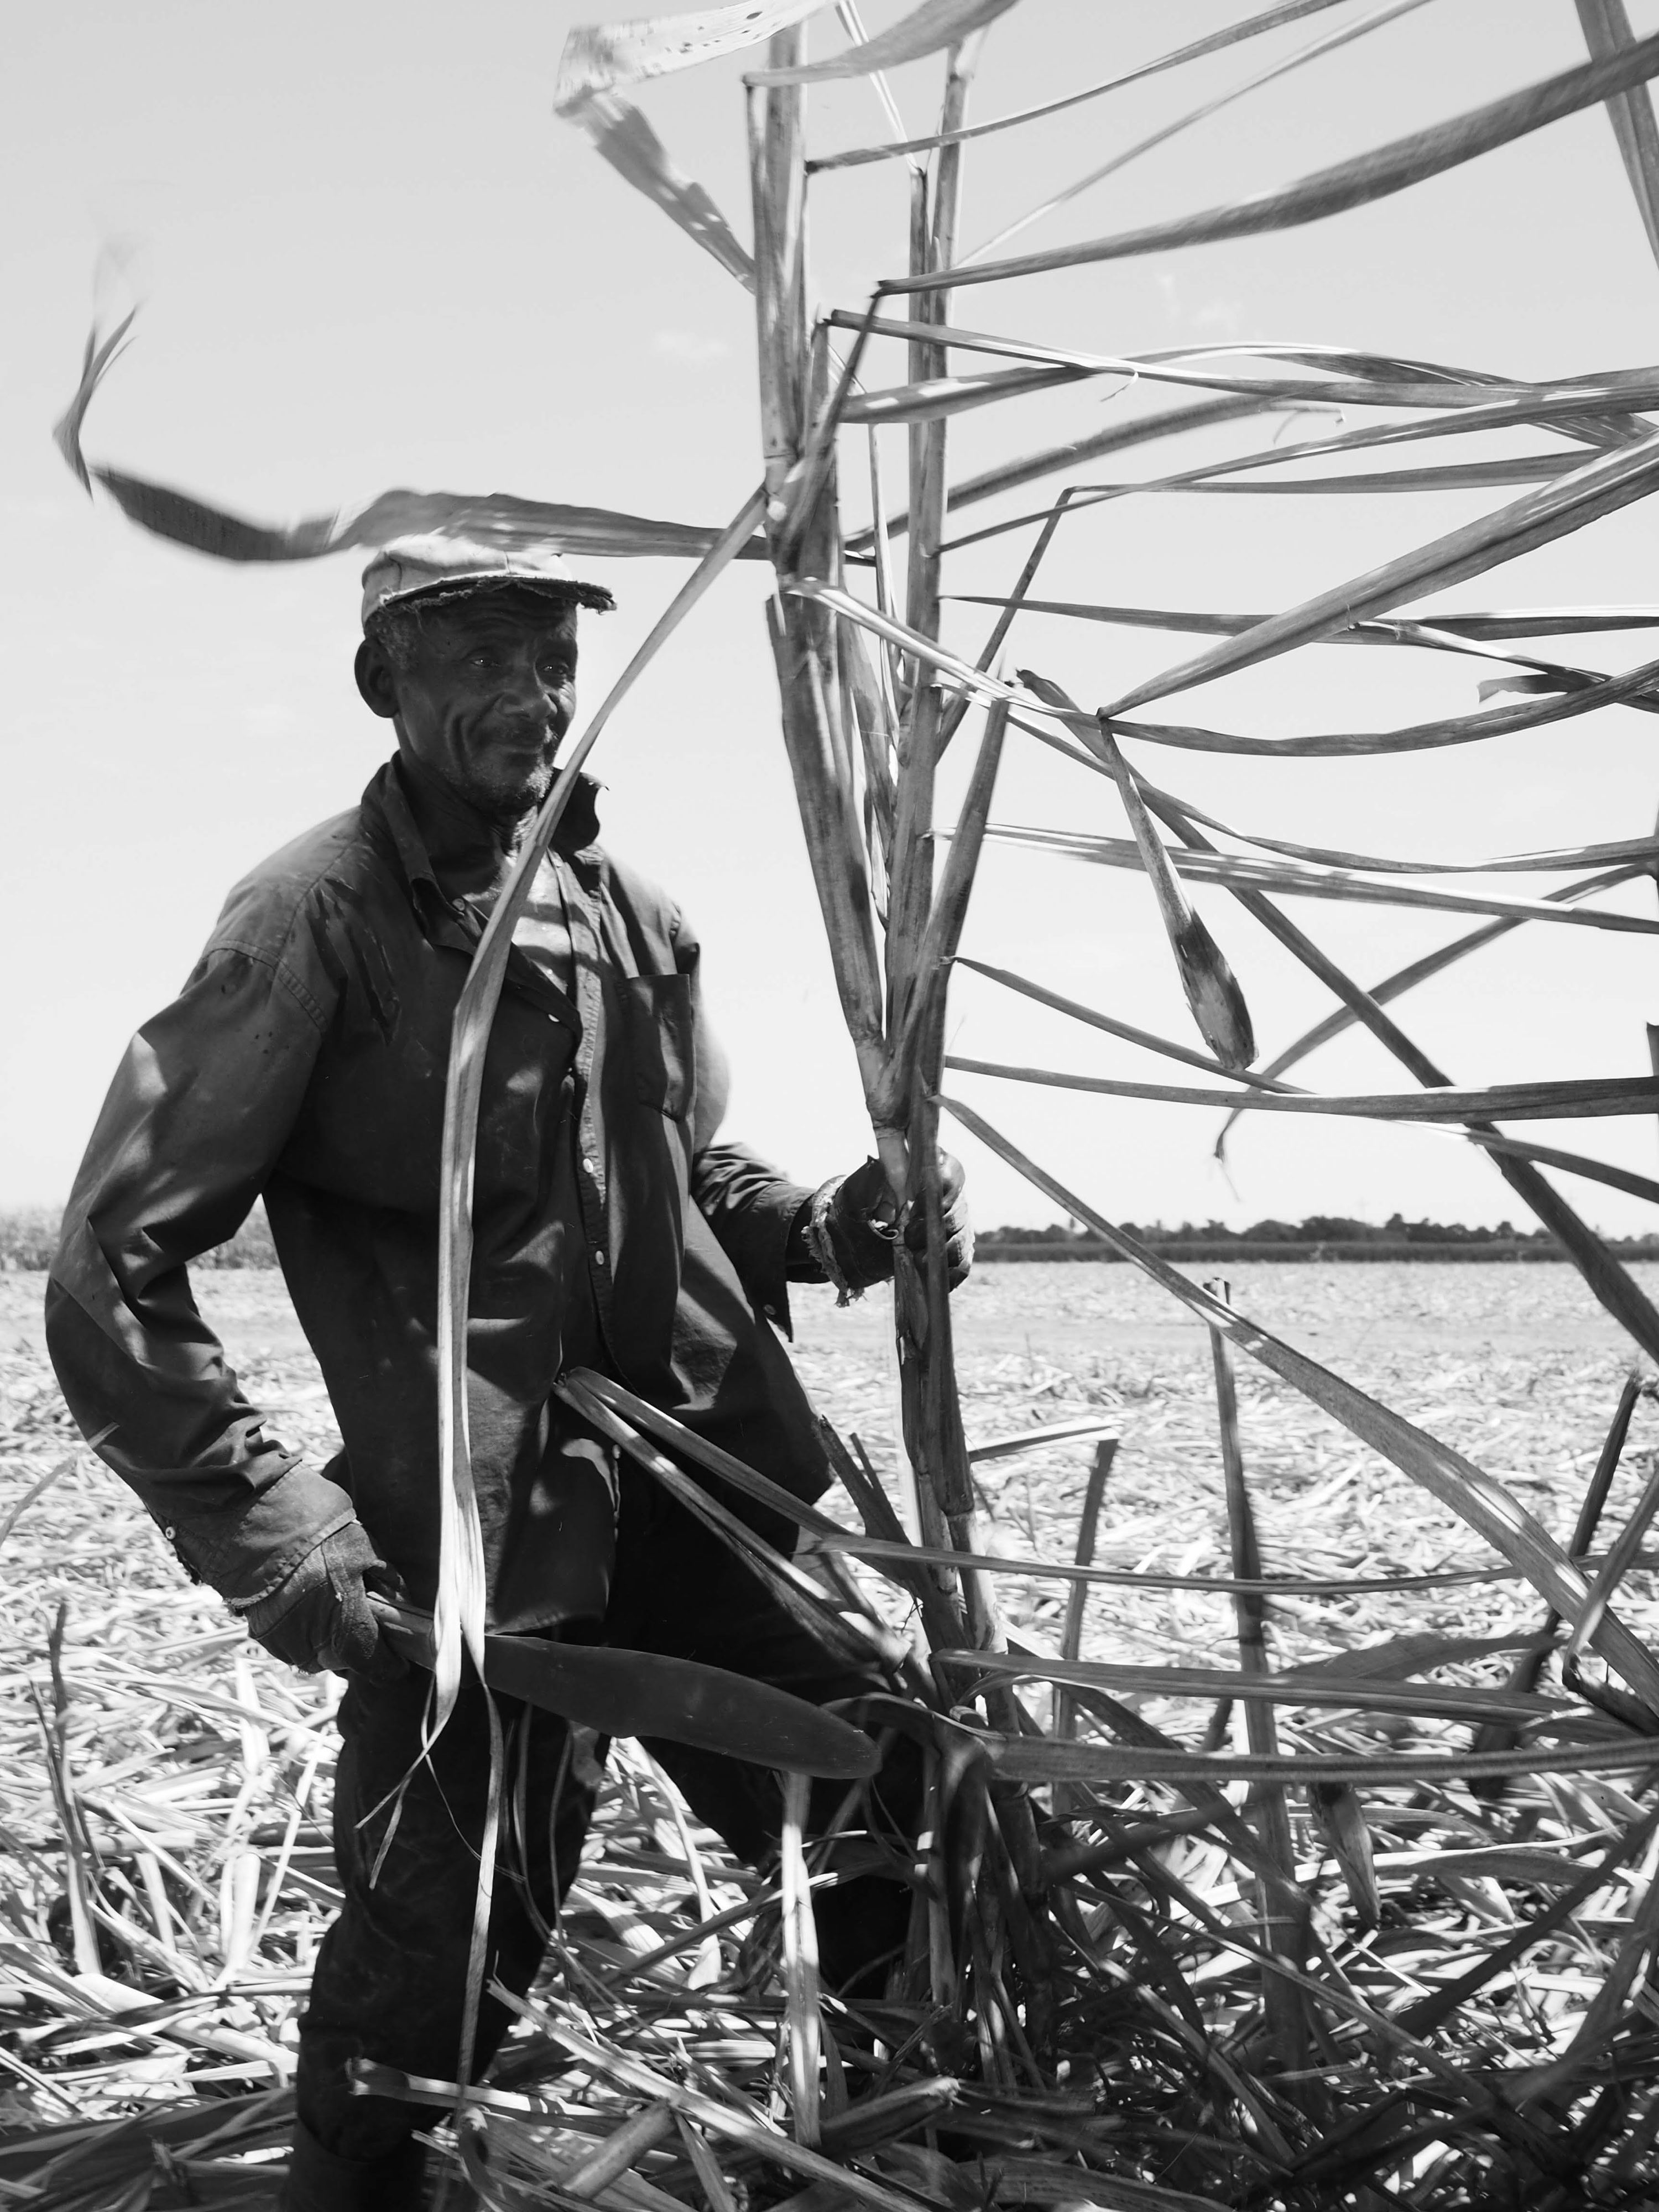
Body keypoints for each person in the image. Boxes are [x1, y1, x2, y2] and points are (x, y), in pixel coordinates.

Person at [45, 539, 971, 2211]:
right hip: (480, 1535)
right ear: (383, 684)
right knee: (443, 1948)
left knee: (886, 1804)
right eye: (479, 658)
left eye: (551, 659)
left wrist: (838, 1228)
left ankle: (899, 2147)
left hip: (696, 1479)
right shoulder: (314, 916)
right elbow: (117, 1257)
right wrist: (285, 1534)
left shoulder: (633, 915)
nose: (531, 696)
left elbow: (680, 1181)